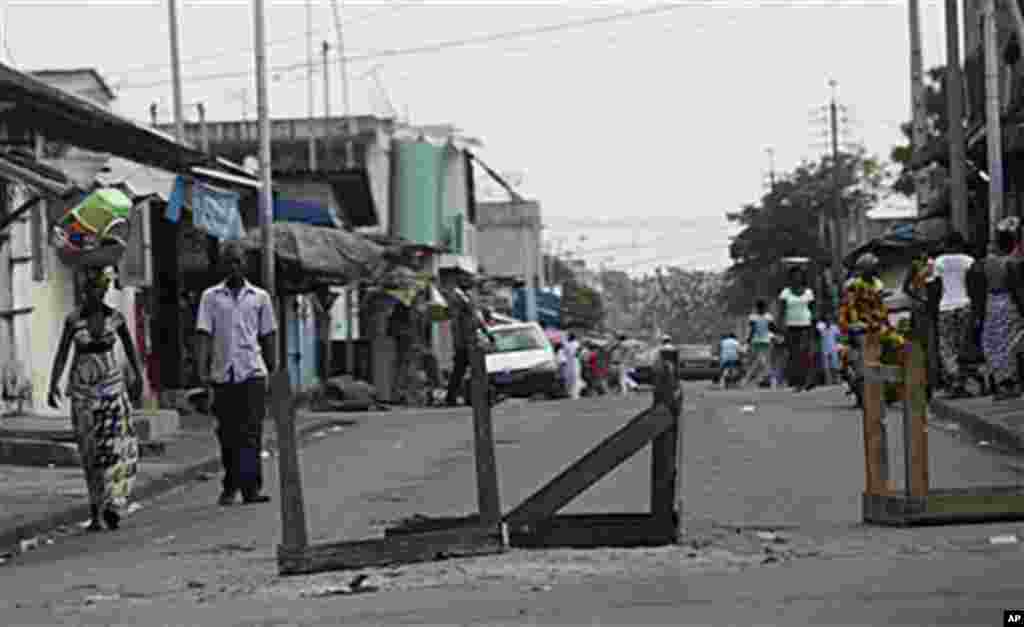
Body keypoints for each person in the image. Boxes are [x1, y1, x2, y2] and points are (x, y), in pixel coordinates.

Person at [48, 266, 143, 531]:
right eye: (90, 289)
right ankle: (96, 511)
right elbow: (62, 353)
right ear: (84, 291)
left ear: (104, 291)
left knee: (116, 448)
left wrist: (138, 375)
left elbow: (130, 350)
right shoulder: (73, 320)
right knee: (89, 453)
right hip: (83, 394)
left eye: (99, 289)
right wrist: (53, 384)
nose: (94, 293)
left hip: (112, 392)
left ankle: (114, 503)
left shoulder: (117, 319)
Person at [196, 241, 277, 506]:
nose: (234, 267)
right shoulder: (210, 297)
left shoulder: (260, 298)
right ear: (223, 265)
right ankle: (230, 485)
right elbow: (204, 335)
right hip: (223, 375)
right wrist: (203, 372)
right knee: (228, 434)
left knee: (252, 433)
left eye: (238, 262)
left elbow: (268, 335)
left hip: (252, 372)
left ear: (246, 265)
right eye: (229, 261)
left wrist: (273, 372)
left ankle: (251, 489)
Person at [981, 217, 1024, 400]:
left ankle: (1000, 383)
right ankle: (1009, 384)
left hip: (991, 304)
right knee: (1009, 344)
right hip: (1007, 304)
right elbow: (1016, 289)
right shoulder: (1011, 263)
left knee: (995, 344)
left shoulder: (987, 263)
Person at [932, 232, 976, 397]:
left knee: (947, 346)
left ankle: (954, 382)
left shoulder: (939, 262)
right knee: (963, 346)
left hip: (945, 307)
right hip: (965, 305)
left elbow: (935, 287)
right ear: (960, 244)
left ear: (947, 244)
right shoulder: (969, 261)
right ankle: (961, 383)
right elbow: (973, 284)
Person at [778, 266, 817, 392]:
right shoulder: (785, 293)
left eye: (799, 275)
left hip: (806, 325)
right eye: (794, 275)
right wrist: (780, 327)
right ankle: (798, 382)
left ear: (802, 277)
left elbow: (813, 309)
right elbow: (782, 311)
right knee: (794, 355)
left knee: (805, 353)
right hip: (791, 326)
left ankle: (808, 380)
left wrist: (815, 324)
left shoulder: (808, 292)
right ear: (791, 278)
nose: (797, 278)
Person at [443, 272, 479, 407]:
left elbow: (474, 318)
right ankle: (452, 397)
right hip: (464, 342)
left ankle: (470, 396)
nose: (471, 282)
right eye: (468, 280)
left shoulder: (466, 296)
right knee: (461, 371)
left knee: (469, 370)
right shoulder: (457, 297)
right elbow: (456, 321)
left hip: (470, 339)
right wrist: (458, 342)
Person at [744, 300, 776, 387]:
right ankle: (770, 379)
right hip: (763, 341)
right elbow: (772, 328)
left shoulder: (753, 317)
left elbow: (751, 330)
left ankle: (747, 380)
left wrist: (748, 341)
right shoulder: (768, 317)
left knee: (759, 361)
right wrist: (777, 335)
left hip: (758, 341)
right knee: (761, 361)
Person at [816, 315, 841, 385]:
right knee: (825, 367)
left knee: (835, 365)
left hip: (833, 348)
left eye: (829, 320)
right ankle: (828, 381)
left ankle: (837, 380)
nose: (828, 321)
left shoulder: (834, 327)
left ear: (831, 321)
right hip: (824, 349)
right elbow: (817, 334)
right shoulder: (821, 327)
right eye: (827, 320)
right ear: (824, 321)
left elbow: (839, 337)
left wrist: (839, 345)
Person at [562, 332, 581, 399]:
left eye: (568, 336)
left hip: (575, 362)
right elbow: (565, 352)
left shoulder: (576, 343)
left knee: (575, 378)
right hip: (569, 363)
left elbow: (578, 351)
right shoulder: (567, 344)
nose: (567, 337)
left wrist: (575, 354)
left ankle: (575, 394)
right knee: (569, 378)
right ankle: (570, 393)